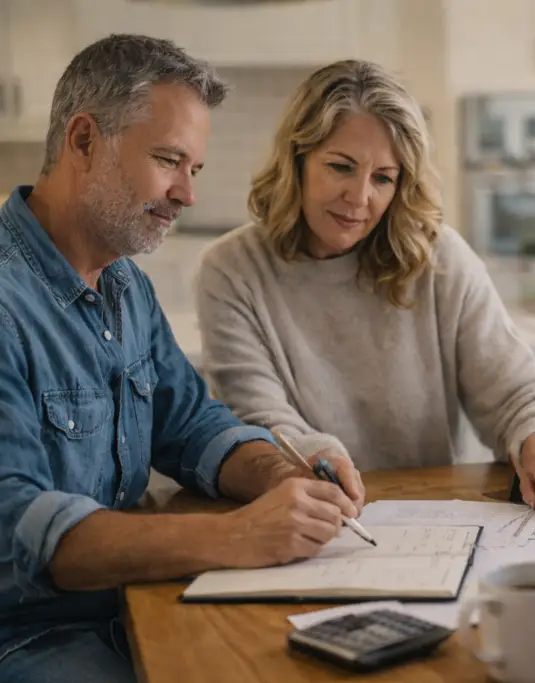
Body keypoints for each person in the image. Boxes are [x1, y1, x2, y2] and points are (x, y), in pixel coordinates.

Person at [0, 35, 363, 683]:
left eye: (193, 168)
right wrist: (239, 536)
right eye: (169, 160)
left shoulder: (126, 287)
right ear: (83, 141)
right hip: (29, 637)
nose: (186, 194)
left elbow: (193, 425)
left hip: (132, 605)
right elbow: (19, 528)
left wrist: (282, 477)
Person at [193, 60, 535, 512]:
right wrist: (320, 458)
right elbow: (259, 421)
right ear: (296, 161)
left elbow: (516, 391)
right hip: (311, 511)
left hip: (437, 516)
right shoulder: (231, 270)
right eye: (341, 167)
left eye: (383, 177)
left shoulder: (439, 257)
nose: (360, 197)